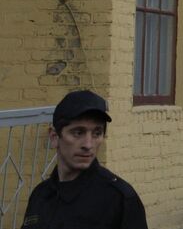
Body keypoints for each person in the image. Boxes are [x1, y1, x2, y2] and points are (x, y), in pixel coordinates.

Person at [21, 89, 147, 229]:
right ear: (54, 137)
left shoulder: (119, 199)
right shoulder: (40, 195)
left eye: (96, 133)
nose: (88, 145)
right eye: (78, 132)